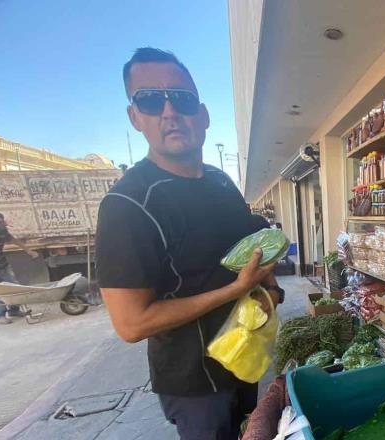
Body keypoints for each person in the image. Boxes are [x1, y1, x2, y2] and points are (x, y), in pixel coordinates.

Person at [95, 47, 285, 440]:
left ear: (202, 115)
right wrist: (235, 289)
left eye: (180, 98)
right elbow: (132, 324)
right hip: (192, 384)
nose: (169, 111)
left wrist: (270, 288)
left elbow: (250, 248)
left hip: (243, 360)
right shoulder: (128, 205)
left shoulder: (220, 183)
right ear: (135, 117)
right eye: (150, 99)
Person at [0, 212, 40, 324]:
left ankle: (14, 310)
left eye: (2, 221)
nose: (2, 223)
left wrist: (28, 251)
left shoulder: (2, 232)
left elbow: (14, 240)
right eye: (0, 222)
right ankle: (0, 316)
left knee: (13, 287)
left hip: (2, 264)